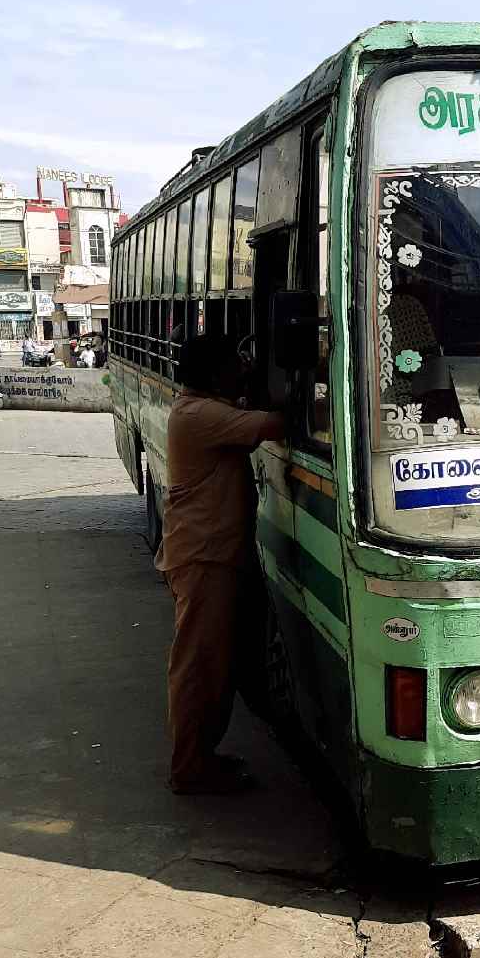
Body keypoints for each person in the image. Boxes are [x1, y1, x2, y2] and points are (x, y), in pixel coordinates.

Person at [155, 334, 284, 794]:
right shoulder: (201, 416)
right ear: (213, 375)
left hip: (211, 555)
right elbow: (273, 423)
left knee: (215, 666)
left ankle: (200, 758)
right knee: (199, 669)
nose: (242, 368)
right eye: (235, 363)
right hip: (203, 558)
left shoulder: (201, 410)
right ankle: (189, 768)